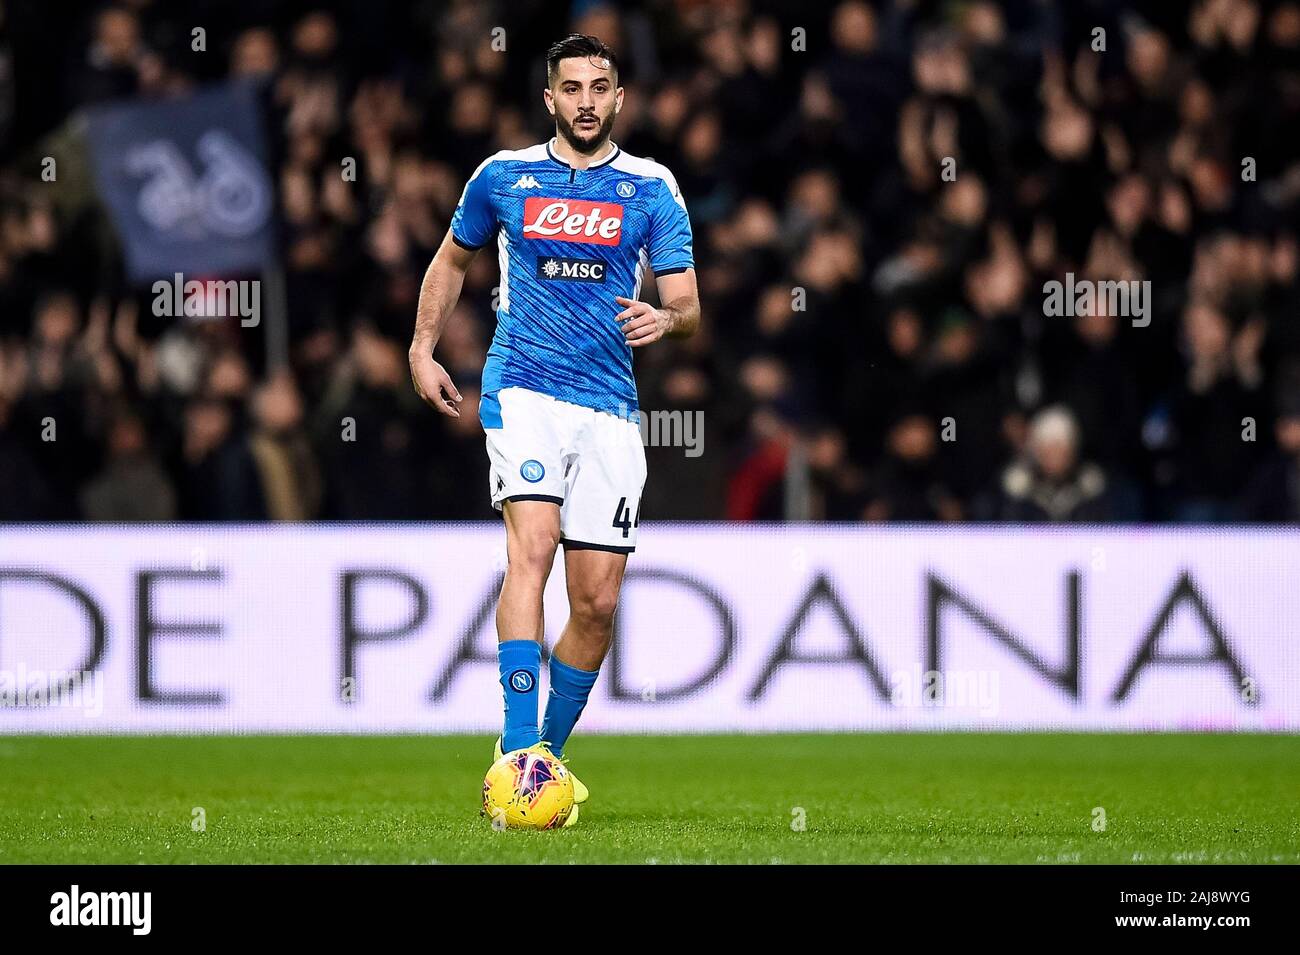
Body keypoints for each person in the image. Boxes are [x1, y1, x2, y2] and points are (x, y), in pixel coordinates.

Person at [408, 34, 699, 826]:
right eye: (571, 88)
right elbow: (451, 259)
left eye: (599, 87)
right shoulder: (501, 176)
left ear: (618, 97)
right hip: (524, 387)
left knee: (597, 602)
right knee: (530, 546)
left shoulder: (650, 186)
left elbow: (690, 304)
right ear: (550, 99)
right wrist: (423, 345)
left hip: (608, 406)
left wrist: (667, 320)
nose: (585, 101)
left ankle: (545, 759)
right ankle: (514, 752)